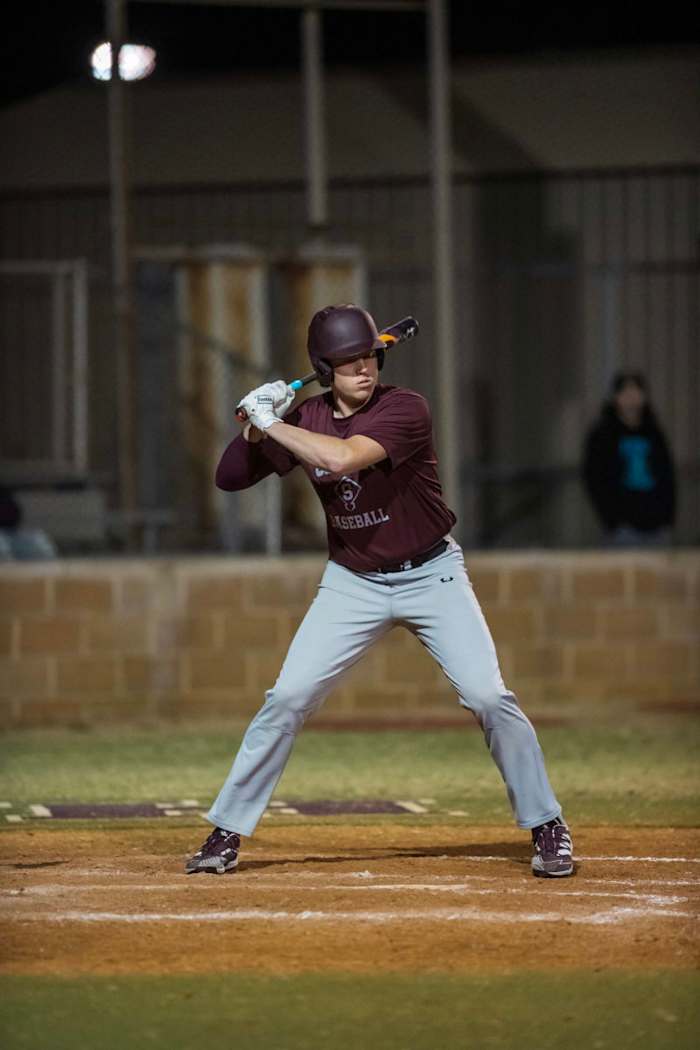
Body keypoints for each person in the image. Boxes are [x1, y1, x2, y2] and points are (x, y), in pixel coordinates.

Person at [185, 305, 573, 879]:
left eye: (369, 356)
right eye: (347, 361)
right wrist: (251, 423)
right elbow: (230, 476)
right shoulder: (308, 415)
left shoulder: (404, 408)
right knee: (287, 698)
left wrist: (273, 424)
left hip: (432, 574)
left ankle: (547, 824)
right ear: (325, 367)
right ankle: (226, 832)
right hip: (352, 583)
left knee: (489, 697)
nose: (363, 369)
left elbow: (340, 458)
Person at [583, 372, 676, 546]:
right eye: (626, 393)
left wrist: (667, 518)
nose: (632, 399)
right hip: (622, 528)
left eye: (636, 393)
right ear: (616, 397)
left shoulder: (654, 434)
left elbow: (667, 476)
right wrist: (611, 518)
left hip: (656, 526)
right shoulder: (603, 435)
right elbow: (594, 477)